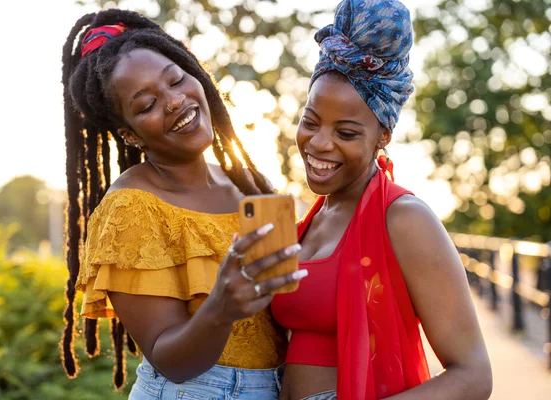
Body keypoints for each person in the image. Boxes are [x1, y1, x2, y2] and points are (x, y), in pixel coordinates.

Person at [59, 9, 308, 399]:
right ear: (130, 135)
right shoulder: (130, 208)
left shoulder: (248, 187)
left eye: (176, 80)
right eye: (147, 105)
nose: (174, 101)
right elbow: (171, 362)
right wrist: (220, 309)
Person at [271, 0, 492, 399]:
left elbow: (474, 376)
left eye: (347, 133)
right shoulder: (315, 215)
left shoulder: (404, 218)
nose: (320, 143)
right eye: (310, 121)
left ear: (382, 137)